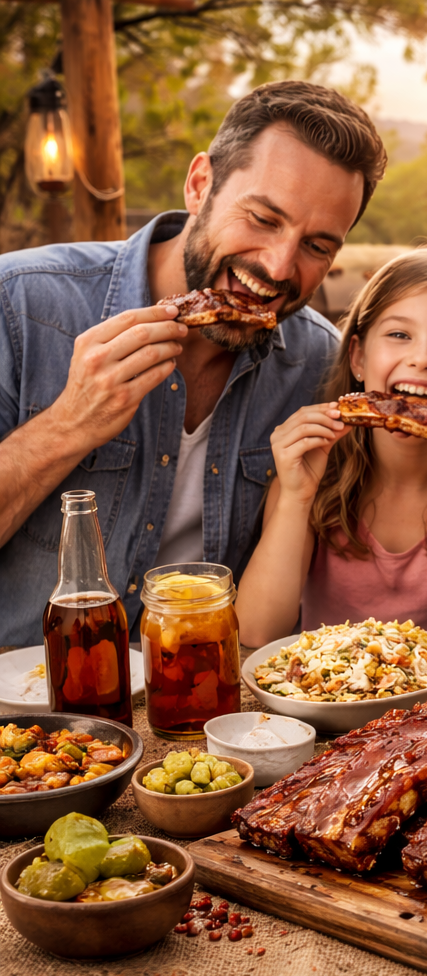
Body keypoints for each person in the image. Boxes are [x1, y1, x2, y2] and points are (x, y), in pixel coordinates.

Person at [0, 81, 386, 644]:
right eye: (263, 218)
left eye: (317, 246)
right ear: (200, 185)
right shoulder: (19, 304)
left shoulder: (320, 365)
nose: (279, 267)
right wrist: (69, 423)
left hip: (200, 707)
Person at [235, 248, 427, 644]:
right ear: (358, 357)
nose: (422, 359)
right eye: (399, 335)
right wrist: (295, 496)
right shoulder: (312, 477)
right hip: (320, 694)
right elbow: (255, 633)